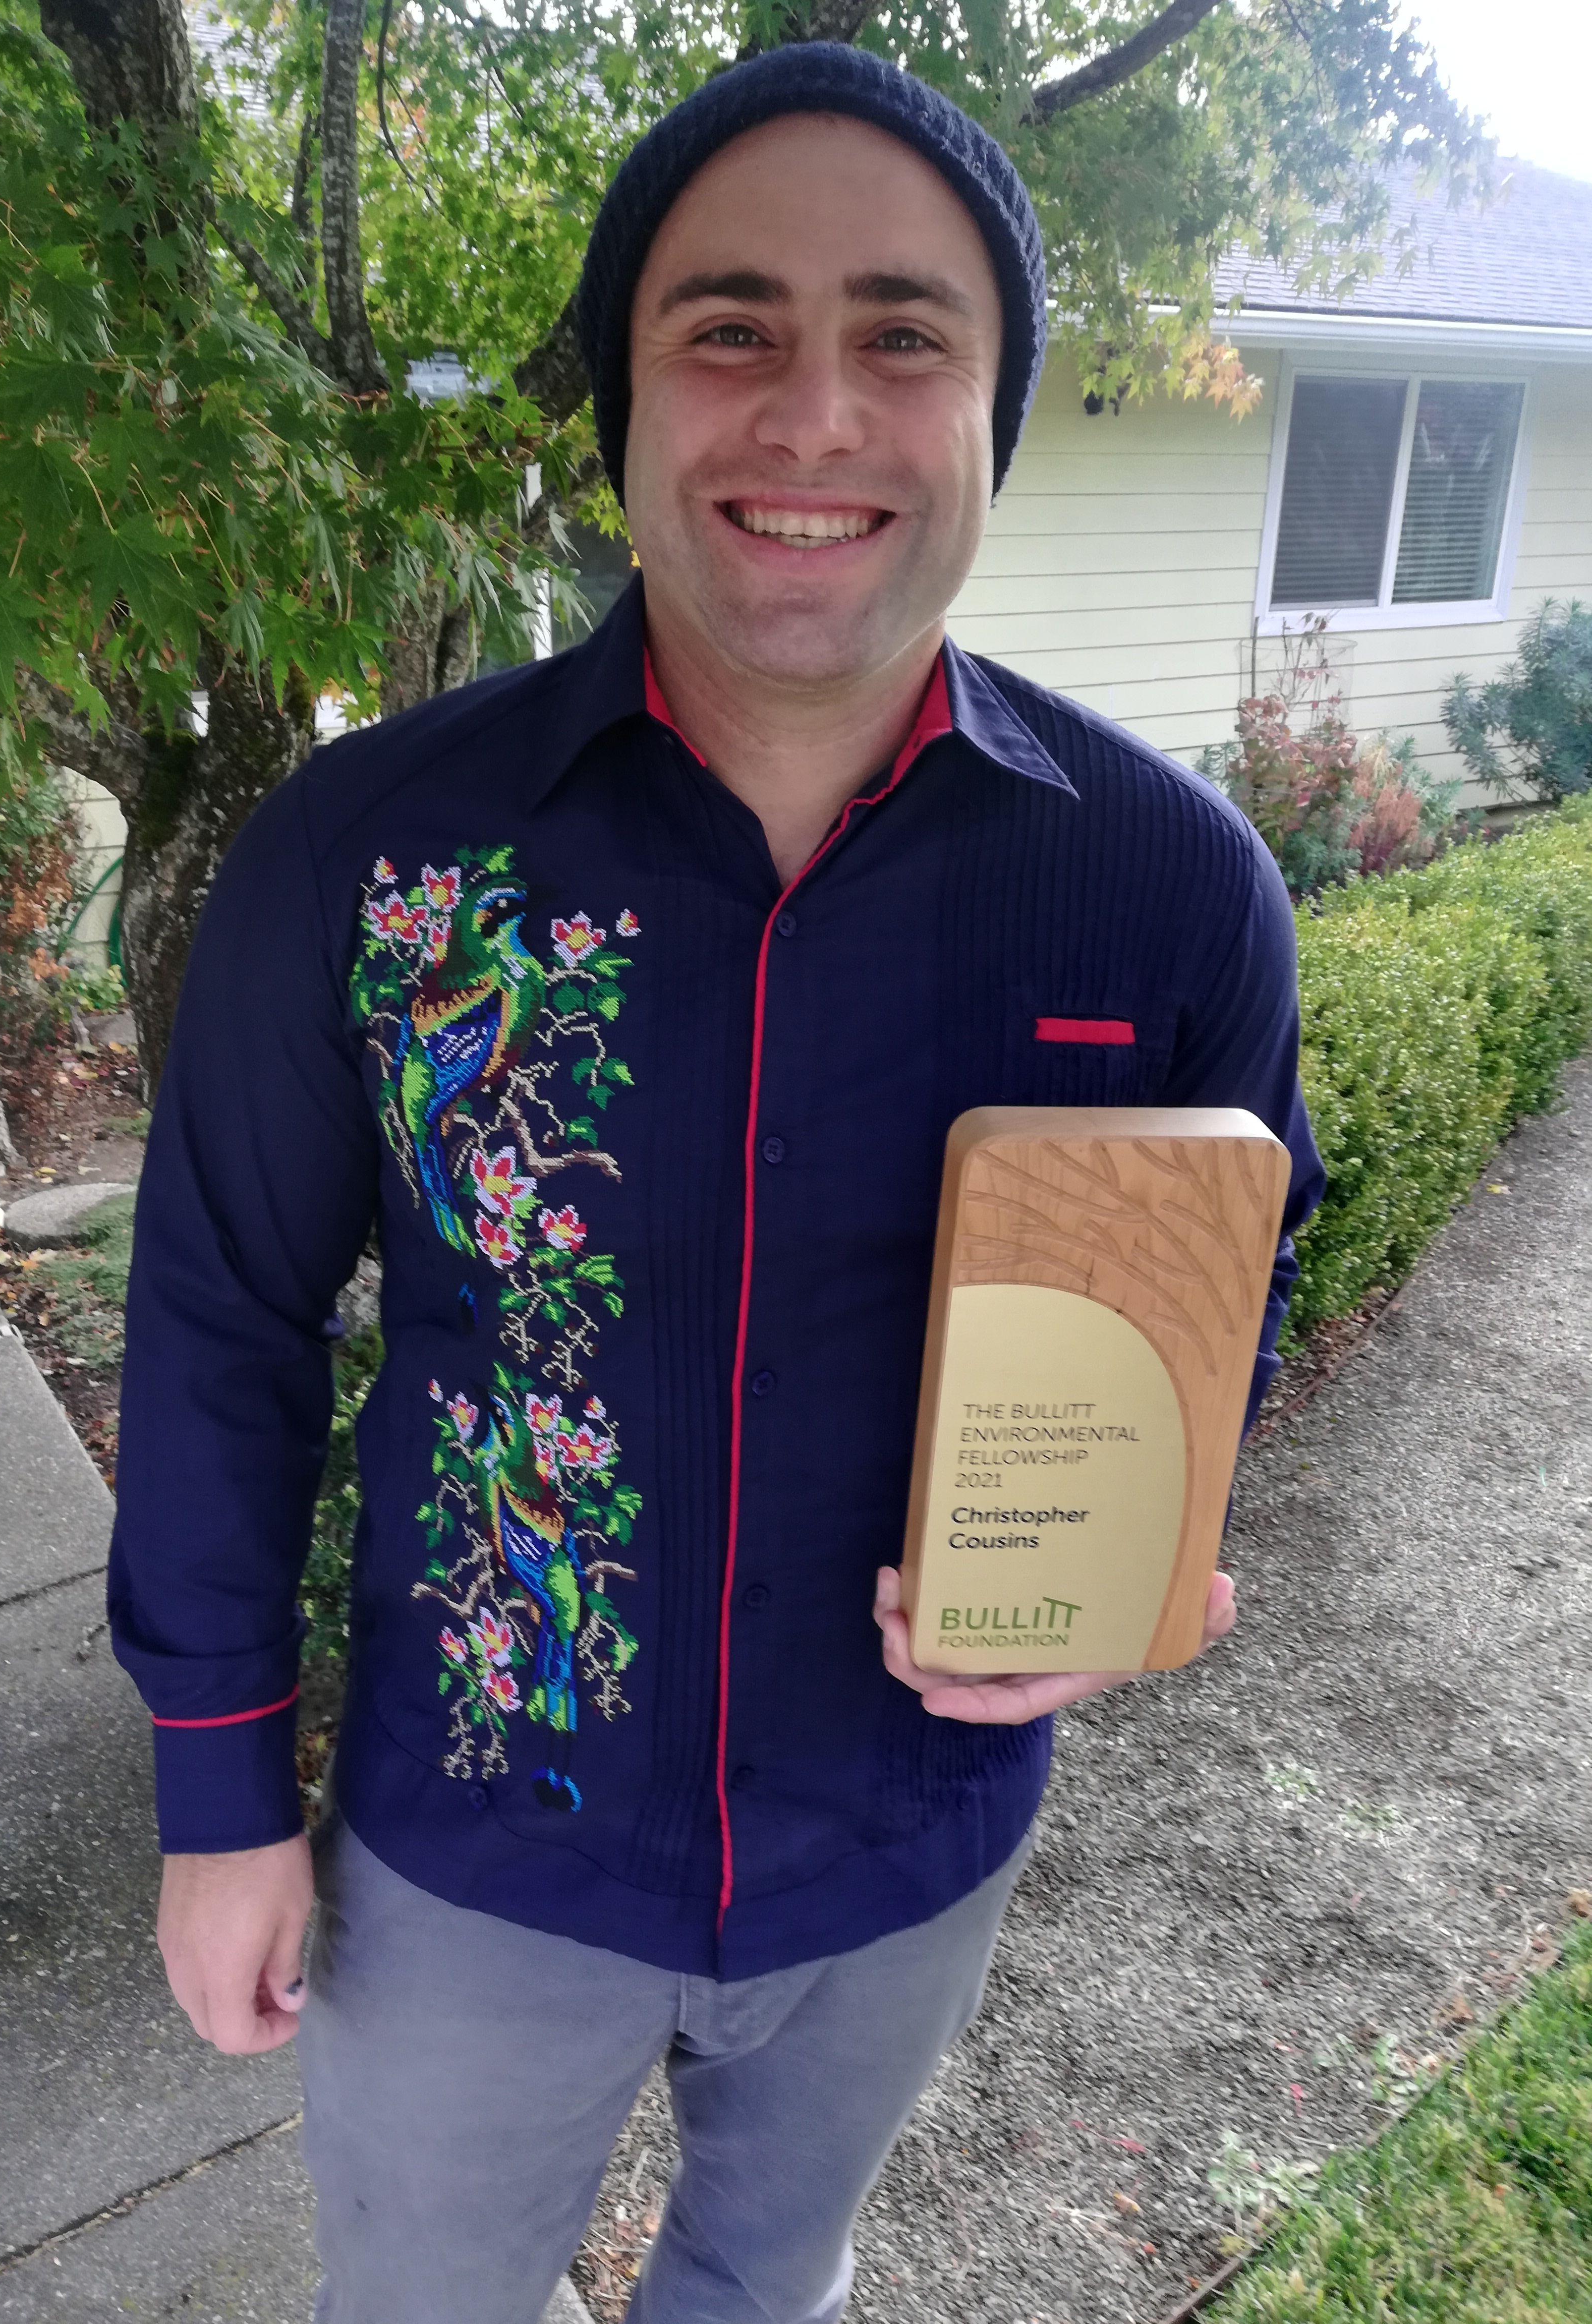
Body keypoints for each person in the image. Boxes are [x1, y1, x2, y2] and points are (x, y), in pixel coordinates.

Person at [110, 40, 1323, 2324]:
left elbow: (1224, 1285)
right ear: (627, 405)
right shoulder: (367, 858)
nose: (816, 415)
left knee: (769, 2290)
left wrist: (1138, 1564)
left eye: (905, 335)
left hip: (906, 1856)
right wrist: (217, 1789)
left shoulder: (1172, 892)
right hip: (476, 1857)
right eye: (731, 327)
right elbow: (223, 1321)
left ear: (995, 414)